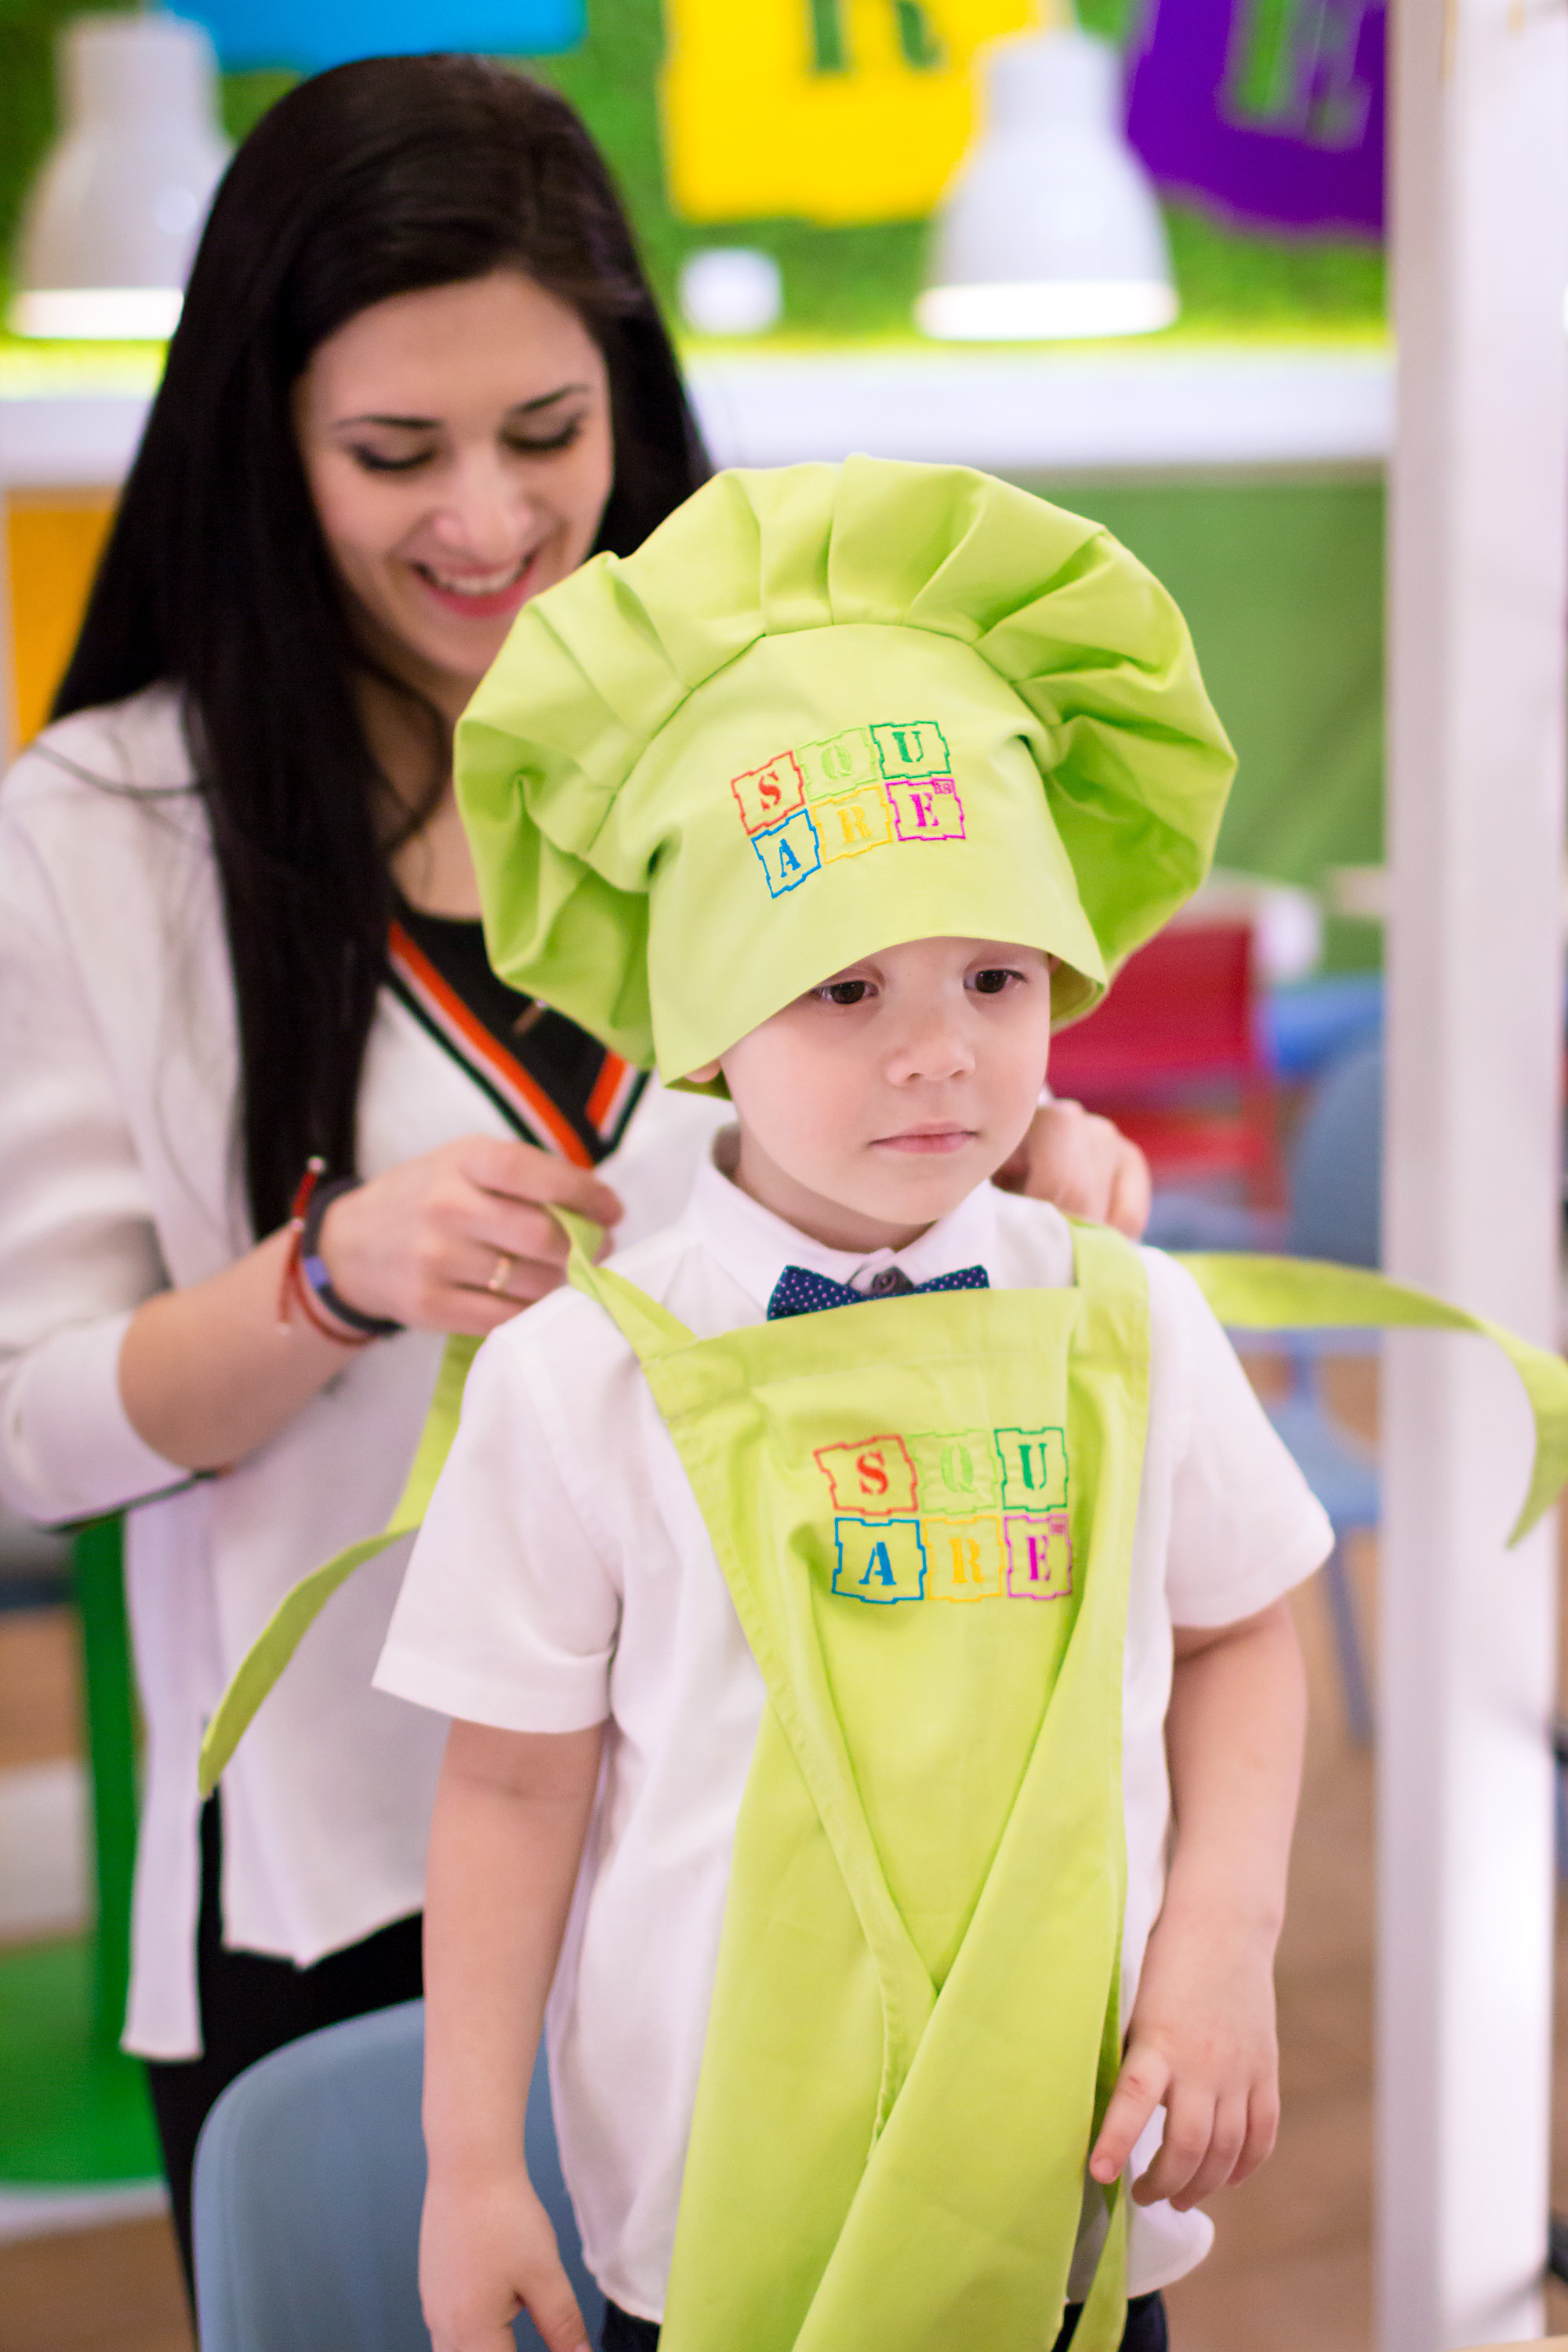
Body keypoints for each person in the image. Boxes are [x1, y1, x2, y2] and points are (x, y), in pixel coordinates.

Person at [0, 56, 1146, 2288]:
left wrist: (1023, 1178)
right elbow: (39, 1425)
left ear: (631, 391)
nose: (490, 526)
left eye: (548, 433)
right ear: (264, 440)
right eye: (392, 455)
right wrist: (326, 1276)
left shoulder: (789, 739)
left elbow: (923, 1141)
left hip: (808, 1827)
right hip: (351, 1875)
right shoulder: (98, 831)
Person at [374, 460, 1333, 2352]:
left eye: (994, 976)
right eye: (842, 987)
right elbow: (505, 1785)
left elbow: (1241, 1632)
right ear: (707, 1017)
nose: (937, 1051)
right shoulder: (583, 1378)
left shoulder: (1123, 1320)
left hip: (1076, 2194)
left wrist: (1221, 1940)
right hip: (715, 2212)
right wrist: (470, 2160)